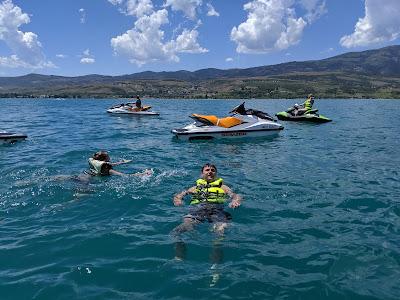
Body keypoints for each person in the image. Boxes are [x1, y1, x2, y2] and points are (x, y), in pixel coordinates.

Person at [172, 163, 242, 236]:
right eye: (207, 170)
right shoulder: (195, 188)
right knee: (184, 226)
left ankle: (217, 245)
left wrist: (235, 201)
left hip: (216, 209)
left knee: (221, 229)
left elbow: (235, 195)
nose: (210, 172)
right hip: (197, 209)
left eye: (213, 170)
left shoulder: (223, 187)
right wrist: (177, 200)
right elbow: (180, 195)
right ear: (202, 174)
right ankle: (179, 242)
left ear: (216, 174)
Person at [88, 150, 152, 177]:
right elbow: (126, 176)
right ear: (106, 159)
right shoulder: (108, 169)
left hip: (85, 175)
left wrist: (122, 162)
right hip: (92, 179)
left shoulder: (93, 161)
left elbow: (110, 164)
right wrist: (144, 173)